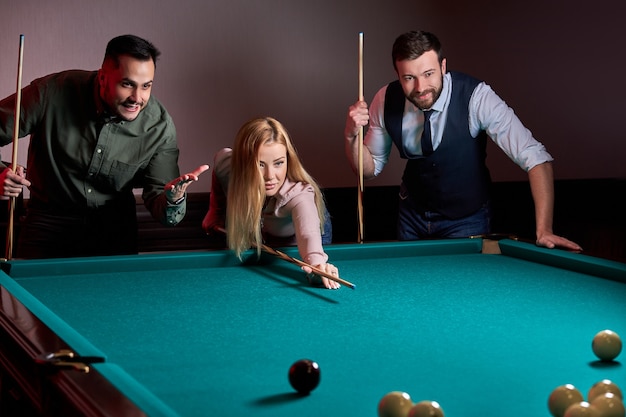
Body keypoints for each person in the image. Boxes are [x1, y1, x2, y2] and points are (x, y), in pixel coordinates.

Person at [344, 30, 581, 251]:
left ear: (443, 66)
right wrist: (351, 135)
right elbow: (368, 169)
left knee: (462, 290)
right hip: (411, 217)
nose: (420, 87)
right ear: (398, 75)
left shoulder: (477, 97)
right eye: (409, 78)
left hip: (466, 219)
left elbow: (536, 158)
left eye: (428, 74)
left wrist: (544, 229)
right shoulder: (384, 99)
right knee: (413, 290)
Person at [0, 34, 209, 259]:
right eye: (127, 84)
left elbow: (161, 203)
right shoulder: (50, 93)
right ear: (102, 78)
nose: (137, 98)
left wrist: (173, 199)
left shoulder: (159, 125)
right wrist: (1, 174)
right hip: (48, 224)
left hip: (115, 231)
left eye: (146, 86)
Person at [202, 117, 340, 289]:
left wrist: (318, 265)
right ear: (243, 163)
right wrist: (215, 211)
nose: (270, 176)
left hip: (304, 230)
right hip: (263, 226)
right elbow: (219, 160)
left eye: (279, 163)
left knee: (302, 262)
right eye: (260, 164)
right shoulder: (228, 167)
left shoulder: (299, 195)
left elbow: (307, 234)